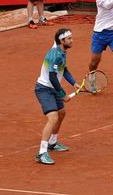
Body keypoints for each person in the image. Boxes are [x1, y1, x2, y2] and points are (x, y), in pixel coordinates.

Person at [34, 28, 78, 165]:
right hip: (44, 89)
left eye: (71, 37)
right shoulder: (55, 54)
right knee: (53, 118)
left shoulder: (62, 52)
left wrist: (74, 83)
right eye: (69, 38)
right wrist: (63, 94)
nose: (72, 40)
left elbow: (63, 69)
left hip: (53, 88)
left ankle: (52, 143)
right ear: (61, 41)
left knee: (62, 113)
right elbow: (52, 77)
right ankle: (42, 152)